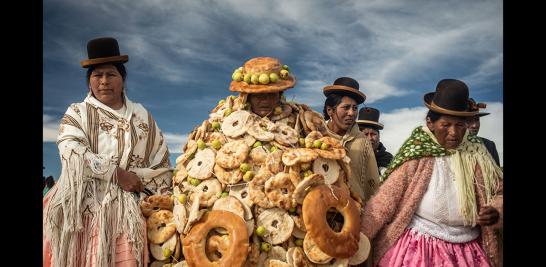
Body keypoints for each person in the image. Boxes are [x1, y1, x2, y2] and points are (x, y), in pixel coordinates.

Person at [43, 37, 172, 267]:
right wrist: (117, 174)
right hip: (82, 213)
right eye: (97, 75)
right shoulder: (77, 112)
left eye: (111, 74)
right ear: (89, 82)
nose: (104, 81)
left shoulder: (142, 116)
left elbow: (160, 159)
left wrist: (156, 196)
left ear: (123, 79)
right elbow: (70, 151)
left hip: (129, 213)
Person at [360, 79, 503, 266]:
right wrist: (358, 239)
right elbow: (384, 202)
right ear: (430, 123)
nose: (453, 132)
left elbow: (499, 192)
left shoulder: (477, 154)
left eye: (460, 125)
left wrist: (496, 212)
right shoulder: (417, 153)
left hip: (468, 251)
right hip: (419, 248)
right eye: (446, 125)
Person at [322, 77, 380, 203]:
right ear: (330, 110)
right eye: (346, 107)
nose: (351, 113)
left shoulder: (363, 141)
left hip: (356, 210)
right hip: (324, 206)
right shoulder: (319, 138)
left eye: (355, 108)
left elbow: (373, 182)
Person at [356, 107, 393, 176]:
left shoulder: (388, 159)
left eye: (373, 134)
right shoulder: (350, 155)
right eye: (365, 134)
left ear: (379, 136)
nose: (370, 138)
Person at [466, 98, 500, 166]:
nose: (474, 125)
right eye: (469, 120)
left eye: (477, 120)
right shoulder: (451, 147)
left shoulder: (489, 145)